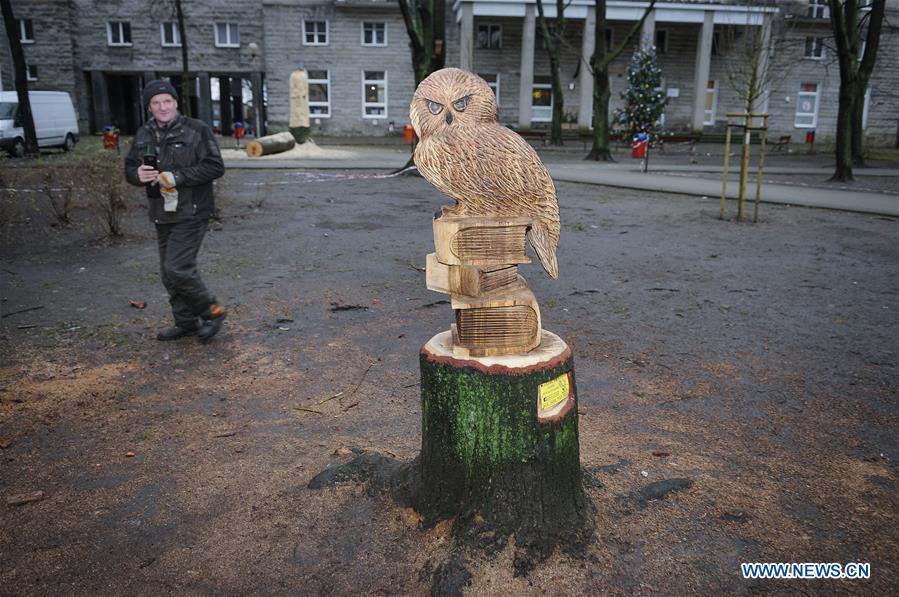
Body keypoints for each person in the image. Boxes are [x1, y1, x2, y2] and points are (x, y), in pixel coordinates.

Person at [125, 80, 227, 342]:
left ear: (175, 103)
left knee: (178, 268)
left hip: (192, 210)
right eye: (156, 102)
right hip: (161, 212)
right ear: (149, 107)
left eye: (167, 101)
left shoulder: (196, 129)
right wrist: (137, 174)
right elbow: (130, 169)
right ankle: (186, 323)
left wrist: (178, 177)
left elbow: (215, 166)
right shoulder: (143, 133)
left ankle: (212, 311)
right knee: (168, 274)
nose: (163, 107)